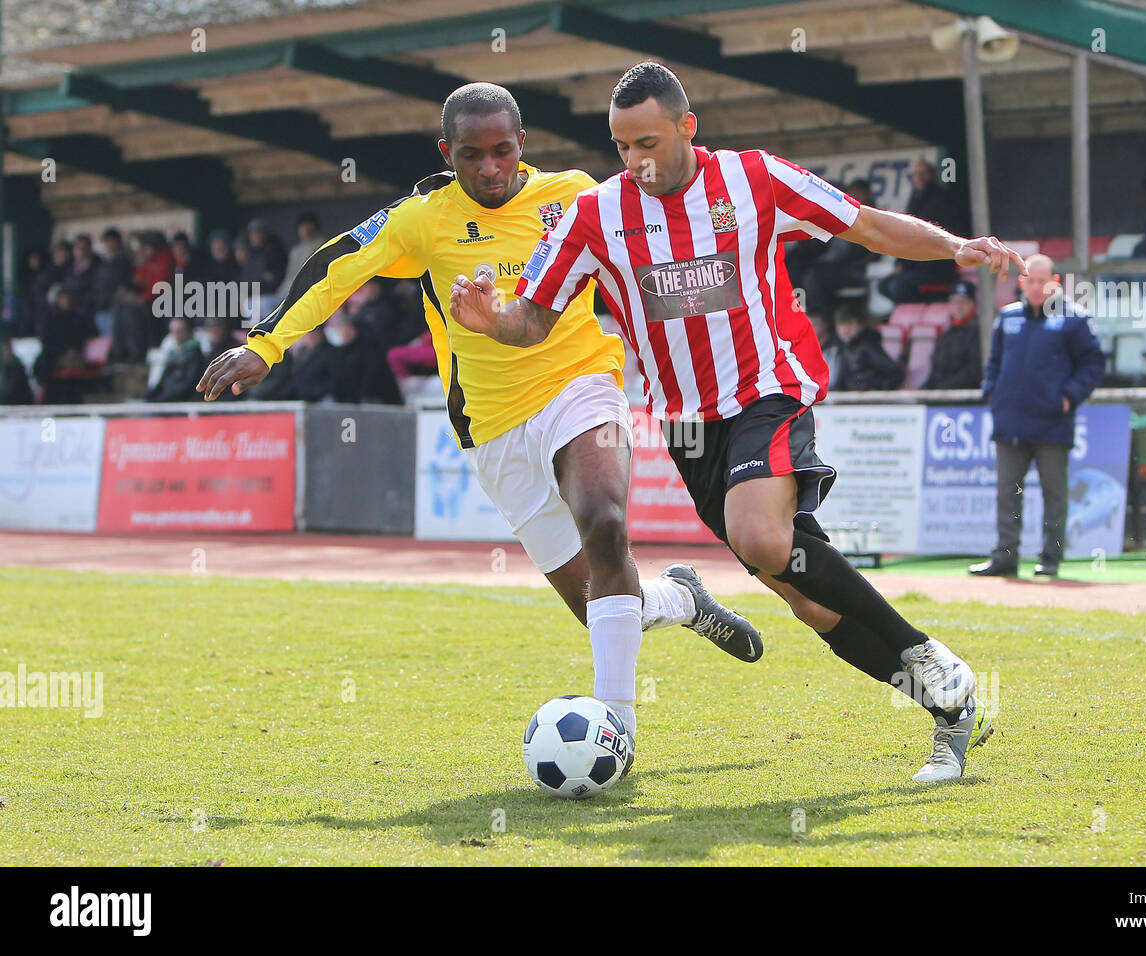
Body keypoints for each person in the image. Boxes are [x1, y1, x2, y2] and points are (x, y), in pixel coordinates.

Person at [452, 61, 1027, 783]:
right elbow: (532, 316)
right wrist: (491, 322)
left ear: (688, 127)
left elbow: (868, 225)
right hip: (691, 431)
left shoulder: (754, 179)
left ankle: (927, 656)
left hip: (767, 392)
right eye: (623, 146)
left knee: (760, 536)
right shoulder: (594, 215)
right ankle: (950, 714)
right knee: (805, 597)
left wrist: (953, 245)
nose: (638, 161)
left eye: (650, 142)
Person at [196, 81, 759, 747]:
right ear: (448, 152)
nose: (489, 169)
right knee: (606, 610)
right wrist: (266, 343)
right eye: (471, 156)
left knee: (605, 522)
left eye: (501, 152)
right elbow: (339, 266)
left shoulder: (571, 194)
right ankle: (683, 600)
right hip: (492, 427)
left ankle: (619, 731)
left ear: (522, 146)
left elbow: (650, 247)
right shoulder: (422, 217)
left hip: (579, 381)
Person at [970, 254, 1104, 579]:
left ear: (1055, 283)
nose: (1036, 287)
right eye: (1030, 280)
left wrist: (1069, 398)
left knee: (1053, 494)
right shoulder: (1008, 317)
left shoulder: (1074, 319)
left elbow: (1094, 363)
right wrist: (992, 392)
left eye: (1042, 281)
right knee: (1009, 493)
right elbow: (995, 362)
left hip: (1052, 424)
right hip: (1010, 423)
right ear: (1021, 283)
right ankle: (1005, 557)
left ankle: (1050, 558)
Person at [877, 159, 964, 305]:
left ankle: (919, 316)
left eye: (924, 173)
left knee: (901, 286)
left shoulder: (942, 200)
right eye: (916, 174)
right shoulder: (915, 201)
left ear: (933, 175)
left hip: (936, 267)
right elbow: (905, 236)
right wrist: (901, 264)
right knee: (884, 285)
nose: (919, 178)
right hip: (915, 266)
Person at [824, 300, 903, 391]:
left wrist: (877, 390)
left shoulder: (869, 346)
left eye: (850, 324)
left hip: (867, 401)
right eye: (841, 325)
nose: (845, 330)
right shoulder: (837, 348)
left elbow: (895, 373)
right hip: (846, 399)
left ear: (861, 325)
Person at [921, 279, 983, 390]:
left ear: (973, 304)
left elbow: (974, 372)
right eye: (954, 302)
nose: (958, 306)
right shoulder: (945, 335)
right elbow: (936, 371)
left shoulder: (980, 333)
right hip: (942, 396)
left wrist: (942, 389)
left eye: (963, 301)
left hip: (967, 399)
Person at [146, 317, 206, 403]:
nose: (176, 335)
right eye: (173, 331)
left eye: (180, 331)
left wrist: (162, 398)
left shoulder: (195, 355)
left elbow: (188, 385)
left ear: (189, 331)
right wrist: (151, 396)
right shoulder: (173, 352)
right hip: (166, 400)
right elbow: (164, 379)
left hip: (182, 403)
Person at [0, 337, 35, 405]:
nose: (6, 353)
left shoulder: (17, 366)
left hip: (19, 401)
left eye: (8, 350)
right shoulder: (3, 366)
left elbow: (18, 388)